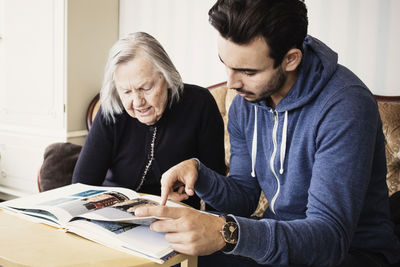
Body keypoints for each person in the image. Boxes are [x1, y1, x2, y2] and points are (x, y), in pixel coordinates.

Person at [134, 0, 400, 266]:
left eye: (248, 71)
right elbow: (243, 199)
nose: (231, 83)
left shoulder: (345, 106)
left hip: (351, 253)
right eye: (226, 64)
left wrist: (226, 232)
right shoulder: (245, 104)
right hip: (280, 243)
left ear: (290, 59)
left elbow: (329, 238)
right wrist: (200, 175)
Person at [72, 32, 226, 209]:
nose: (137, 102)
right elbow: (80, 190)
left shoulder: (199, 104)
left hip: (176, 220)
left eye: (145, 88)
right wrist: (151, 203)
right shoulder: (111, 109)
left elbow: (218, 190)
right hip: (114, 216)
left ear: (167, 77)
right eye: (126, 92)